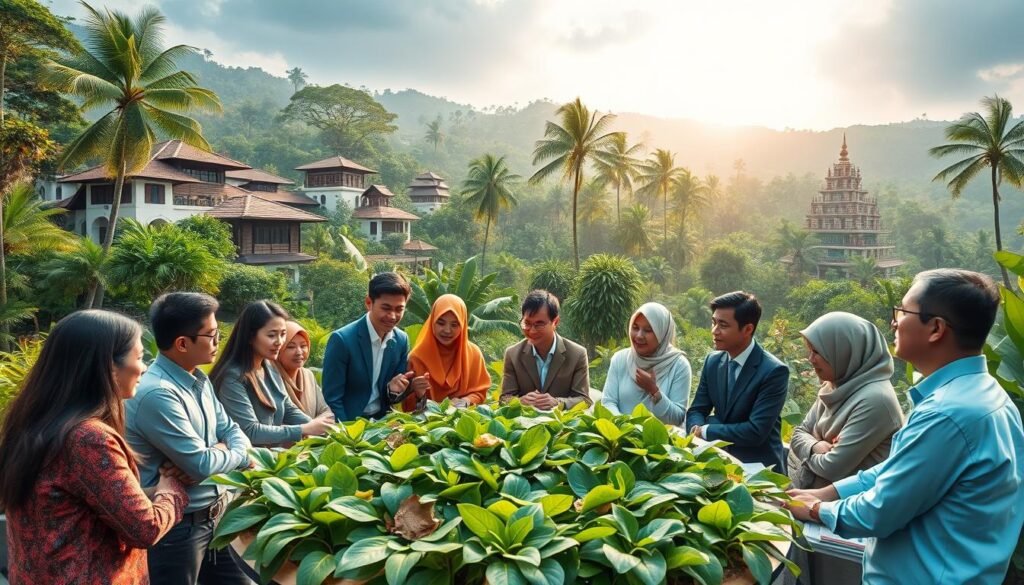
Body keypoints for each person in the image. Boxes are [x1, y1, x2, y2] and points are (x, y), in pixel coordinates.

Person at [787, 269, 1024, 584]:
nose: (894, 322)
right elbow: (899, 470)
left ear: (936, 328)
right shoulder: (984, 395)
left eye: (902, 311)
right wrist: (830, 492)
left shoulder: (947, 414)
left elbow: (880, 511)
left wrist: (818, 510)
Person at [0, 310, 188, 585]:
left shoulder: (32, 423)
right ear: (108, 367)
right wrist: (172, 488)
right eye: (138, 357)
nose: (144, 367)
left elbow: (84, 501)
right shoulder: (88, 438)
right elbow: (144, 529)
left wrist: (154, 489)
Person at [126, 292, 253, 585]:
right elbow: (200, 464)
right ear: (182, 343)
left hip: (215, 519)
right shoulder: (158, 393)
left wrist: (220, 452)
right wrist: (236, 455)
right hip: (178, 531)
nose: (218, 341)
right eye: (211, 335)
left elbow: (233, 431)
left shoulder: (198, 378)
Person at [785, 311, 904, 585]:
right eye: (809, 351)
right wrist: (817, 446)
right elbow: (798, 434)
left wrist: (810, 447)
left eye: (818, 352)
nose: (810, 359)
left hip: (846, 524)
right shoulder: (834, 386)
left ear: (845, 352)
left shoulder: (875, 400)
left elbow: (834, 466)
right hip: (817, 506)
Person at [686, 291, 789, 470]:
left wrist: (706, 430)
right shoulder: (713, 361)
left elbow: (755, 431)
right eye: (714, 322)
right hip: (717, 462)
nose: (714, 331)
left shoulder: (773, 371)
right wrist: (696, 428)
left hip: (759, 469)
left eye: (723, 325)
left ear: (748, 329)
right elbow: (697, 409)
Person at [211, 300, 333, 447]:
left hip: (272, 457)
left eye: (283, 334)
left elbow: (288, 408)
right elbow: (250, 431)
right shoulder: (233, 377)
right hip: (248, 462)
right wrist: (304, 429)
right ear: (250, 337)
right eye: (272, 335)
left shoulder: (269, 367)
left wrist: (323, 429)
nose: (279, 342)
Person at [322, 272, 414, 421]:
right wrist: (348, 434)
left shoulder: (401, 340)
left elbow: (392, 398)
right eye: (386, 308)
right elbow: (332, 399)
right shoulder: (342, 340)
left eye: (399, 309)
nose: (392, 316)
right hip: (348, 425)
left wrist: (393, 391)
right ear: (369, 303)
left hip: (382, 425)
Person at [601, 302, 691, 424]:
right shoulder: (620, 359)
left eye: (648, 330)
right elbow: (608, 402)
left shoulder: (678, 366)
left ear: (662, 333)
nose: (639, 336)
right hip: (621, 437)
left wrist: (654, 391)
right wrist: (627, 429)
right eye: (635, 327)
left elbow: (677, 418)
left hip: (659, 442)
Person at [501, 290, 591, 409]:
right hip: (524, 424)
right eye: (527, 323)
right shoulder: (513, 354)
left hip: (562, 424)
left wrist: (558, 403)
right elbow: (504, 399)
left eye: (539, 325)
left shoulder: (577, 354)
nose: (532, 331)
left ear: (555, 322)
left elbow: (584, 400)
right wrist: (520, 402)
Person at [403, 294, 492, 410]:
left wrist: (464, 402)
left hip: (464, 420)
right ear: (432, 321)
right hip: (427, 424)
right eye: (441, 323)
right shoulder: (417, 357)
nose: (447, 330)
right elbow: (408, 408)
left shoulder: (473, 354)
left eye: (454, 325)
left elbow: (480, 392)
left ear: (463, 325)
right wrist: (418, 394)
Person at [273, 320, 331, 418]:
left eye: (303, 346)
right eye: (291, 347)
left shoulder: (308, 375)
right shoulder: (269, 378)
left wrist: (314, 428)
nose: (299, 352)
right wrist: (308, 427)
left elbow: (326, 410)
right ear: (278, 349)